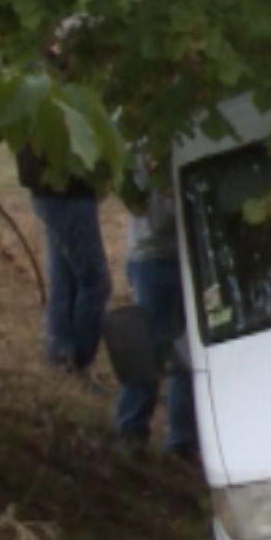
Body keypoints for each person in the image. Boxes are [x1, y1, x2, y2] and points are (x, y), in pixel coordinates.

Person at [114, 159, 198, 465]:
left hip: (189, 254)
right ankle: (131, 431)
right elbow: (154, 217)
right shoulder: (141, 147)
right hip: (154, 256)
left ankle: (182, 441)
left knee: (189, 350)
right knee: (149, 348)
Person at [18, 141, 110, 377]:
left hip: (60, 188)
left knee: (65, 278)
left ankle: (62, 356)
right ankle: (78, 359)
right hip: (66, 189)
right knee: (94, 281)